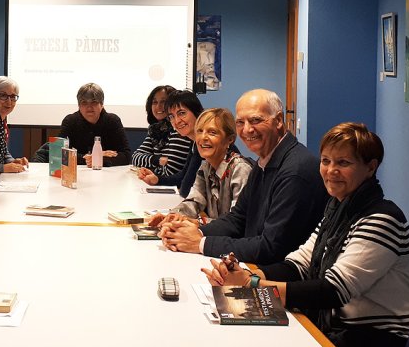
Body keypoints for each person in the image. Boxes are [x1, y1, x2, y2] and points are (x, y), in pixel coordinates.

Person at [201, 122, 409, 347]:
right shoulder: (338, 208)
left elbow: (333, 290)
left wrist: (250, 284)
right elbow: (300, 263)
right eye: (326, 161)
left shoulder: (381, 219)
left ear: (370, 167)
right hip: (346, 334)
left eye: (343, 162)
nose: (331, 170)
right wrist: (248, 275)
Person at [159, 89, 328, 264]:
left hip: (278, 277)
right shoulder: (264, 162)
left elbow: (271, 248)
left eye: (255, 120)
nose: (247, 129)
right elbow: (238, 218)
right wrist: (198, 231)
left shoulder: (295, 171)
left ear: (278, 121)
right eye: (240, 122)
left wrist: (201, 243)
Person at [150, 108, 252, 224]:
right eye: (199, 131)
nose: (203, 138)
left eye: (212, 132)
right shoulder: (205, 167)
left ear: (230, 139)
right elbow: (194, 201)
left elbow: (236, 223)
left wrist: (198, 223)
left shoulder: (240, 169)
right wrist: (173, 216)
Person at [137, 89, 204, 196]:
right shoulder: (195, 143)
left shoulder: (206, 145)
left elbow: (186, 187)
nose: (176, 121)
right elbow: (182, 176)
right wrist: (157, 180)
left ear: (197, 112)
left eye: (182, 113)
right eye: (172, 116)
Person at [58, 82, 131, 166]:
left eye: (94, 102)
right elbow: (60, 153)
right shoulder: (70, 121)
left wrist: (100, 160)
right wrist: (93, 157)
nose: (89, 107)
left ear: (102, 104)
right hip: (78, 174)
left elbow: (126, 156)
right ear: (79, 105)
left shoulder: (113, 121)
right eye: (84, 103)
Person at [131, 85, 192, 178]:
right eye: (154, 102)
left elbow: (171, 172)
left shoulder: (179, 129)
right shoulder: (155, 130)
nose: (158, 106)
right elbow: (135, 158)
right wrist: (158, 160)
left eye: (163, 102)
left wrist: (148, 170)